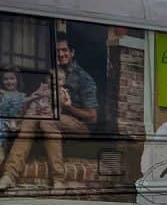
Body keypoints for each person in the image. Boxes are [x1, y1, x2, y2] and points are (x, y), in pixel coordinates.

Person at [0, 35, 98, 193]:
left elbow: (92, 117)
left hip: (77, 124)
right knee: (32, 119)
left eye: (64, 50)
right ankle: (9, 176)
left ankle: (58, 179)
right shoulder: (51, 74)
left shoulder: (84, 78)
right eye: (58, 51)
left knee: (46, 121)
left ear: (72, 52)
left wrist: (68, 106)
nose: (61, 54)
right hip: (50, 118)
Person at [0, 69, 26, 159]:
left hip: (12, 126)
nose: (9, 81)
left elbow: (23, 114)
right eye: (6, 79)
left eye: (12, 78)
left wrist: (14, 122)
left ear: (17, 80)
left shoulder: (23, 96)